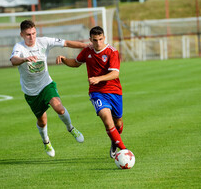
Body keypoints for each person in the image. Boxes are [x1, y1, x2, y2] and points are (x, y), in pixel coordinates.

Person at [10, 20, 86, 157]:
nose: (31, 37)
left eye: (33, 33)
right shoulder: (19, 47)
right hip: (31, 92)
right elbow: (13, 60)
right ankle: (46, 142)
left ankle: (71, 128)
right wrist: (24, 59)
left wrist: (87, 46)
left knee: (59, 108)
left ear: (36, 32)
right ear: (21, 34)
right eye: (28, 34)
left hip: (46, 84)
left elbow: (67, 43)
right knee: (42, 120)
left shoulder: (44, 42)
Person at [56, 26, 127, 159]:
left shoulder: (112, 51)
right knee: (106, 118)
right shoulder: (87, 51)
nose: (98, 43)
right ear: (90, 39)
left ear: (104, 38)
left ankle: (114, 140)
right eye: (95, 40)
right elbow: (76, 63)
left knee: (118, 122)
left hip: (114, 91)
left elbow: (115, 73)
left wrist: (98, 78)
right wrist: (65, 60)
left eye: (100, 39)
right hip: (96, 92)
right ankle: (124, 150)